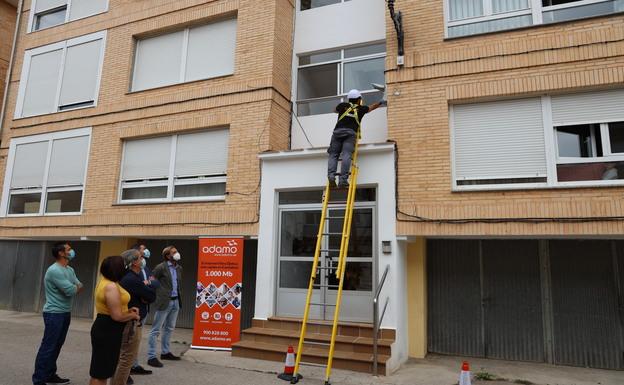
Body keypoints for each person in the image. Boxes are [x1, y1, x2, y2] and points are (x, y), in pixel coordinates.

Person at [32, 242, 83, 385]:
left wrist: (74, 287)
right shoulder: (54, 270)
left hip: (65, 312)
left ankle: (50, 374)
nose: (71, 251)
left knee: (57, 345)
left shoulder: (69, 270)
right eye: (68, 249)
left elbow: (80, 285)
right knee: (48, 346)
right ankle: (39, 379)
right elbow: (71, 290)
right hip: (54, 313)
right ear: (61, 253)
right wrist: (74, 287)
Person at [89, 256, 140, 385]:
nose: (125, 268)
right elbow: (116, 316)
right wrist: (132, 316)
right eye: (123, 266)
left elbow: (114, 308)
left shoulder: (106, 281)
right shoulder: (111, 286)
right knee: (101, 373)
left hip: (106, 327)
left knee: (100, 370)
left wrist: (128, 311)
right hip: (108, 330)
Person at [112, 250, 156, 385]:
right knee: (126, 356)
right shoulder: (131, 279)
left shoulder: (134, 277)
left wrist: (146, 294)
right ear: (134, 262)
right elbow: (151, 296)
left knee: (126, 354)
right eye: (140, 257)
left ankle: (123, 377)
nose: (143, 259)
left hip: (135, 317)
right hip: (131, 320)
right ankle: (121, 379)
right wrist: (145, 294)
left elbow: (150, 292)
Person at [327, 89, 385, 188]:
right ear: (359, 99)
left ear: (349, 99)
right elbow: (372, 107)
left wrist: (344, 109)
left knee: (333, 154)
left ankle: (331, 176)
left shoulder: (342, 106)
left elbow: (334, 110)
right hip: (350, 134)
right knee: (346, 155)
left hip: (337, 132)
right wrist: (381, 102)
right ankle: (343, 180)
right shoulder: (361, 109)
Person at [147, 246, 183, 368]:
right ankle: (151, 356)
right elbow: (151, 279)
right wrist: (157, 293)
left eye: (176, 251)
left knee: (169, 328)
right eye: (174, 252)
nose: (177, 253)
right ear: (168, 256)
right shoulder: (161, 267)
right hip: (164, 302)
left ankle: (165, 352)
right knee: (156, 330)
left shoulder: (179, 268)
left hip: (175, 301)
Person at [130, 243, 159, 376]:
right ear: (136, 252)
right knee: (131, 339)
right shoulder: (130, 271)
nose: (146, 251)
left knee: (137, 338)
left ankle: (134, 365)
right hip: (135, 308)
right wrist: (145, 287)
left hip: (145, 307)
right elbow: (135, 287)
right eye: (143, 249)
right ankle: (129, 367)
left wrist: (147, 284)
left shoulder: (146, 268)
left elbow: (156, 282)